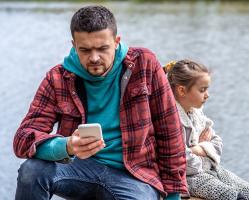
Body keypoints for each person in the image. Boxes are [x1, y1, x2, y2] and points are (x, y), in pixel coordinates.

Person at [13, 5, 188, 200]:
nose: (94, 58)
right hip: (79, 170)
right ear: (74, 45)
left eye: (102, 48)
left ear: (116, 41)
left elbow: (170, 133)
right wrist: (67, 146)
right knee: (31, 171)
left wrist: (173, 195)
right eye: (85, 50)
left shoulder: (145, 64)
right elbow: (23, 139)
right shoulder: (57, 78)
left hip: (136, 176)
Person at [163, 59, 249, 200]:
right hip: (187, 180)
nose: (207, 95)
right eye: (202, 90)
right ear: (182, 90)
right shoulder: (170, 119)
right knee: (233, 196)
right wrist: (205, 154)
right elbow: (182, 162)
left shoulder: (197, 113)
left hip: (210, 170)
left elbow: (217, 142)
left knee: (247, 190)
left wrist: (198, 148)